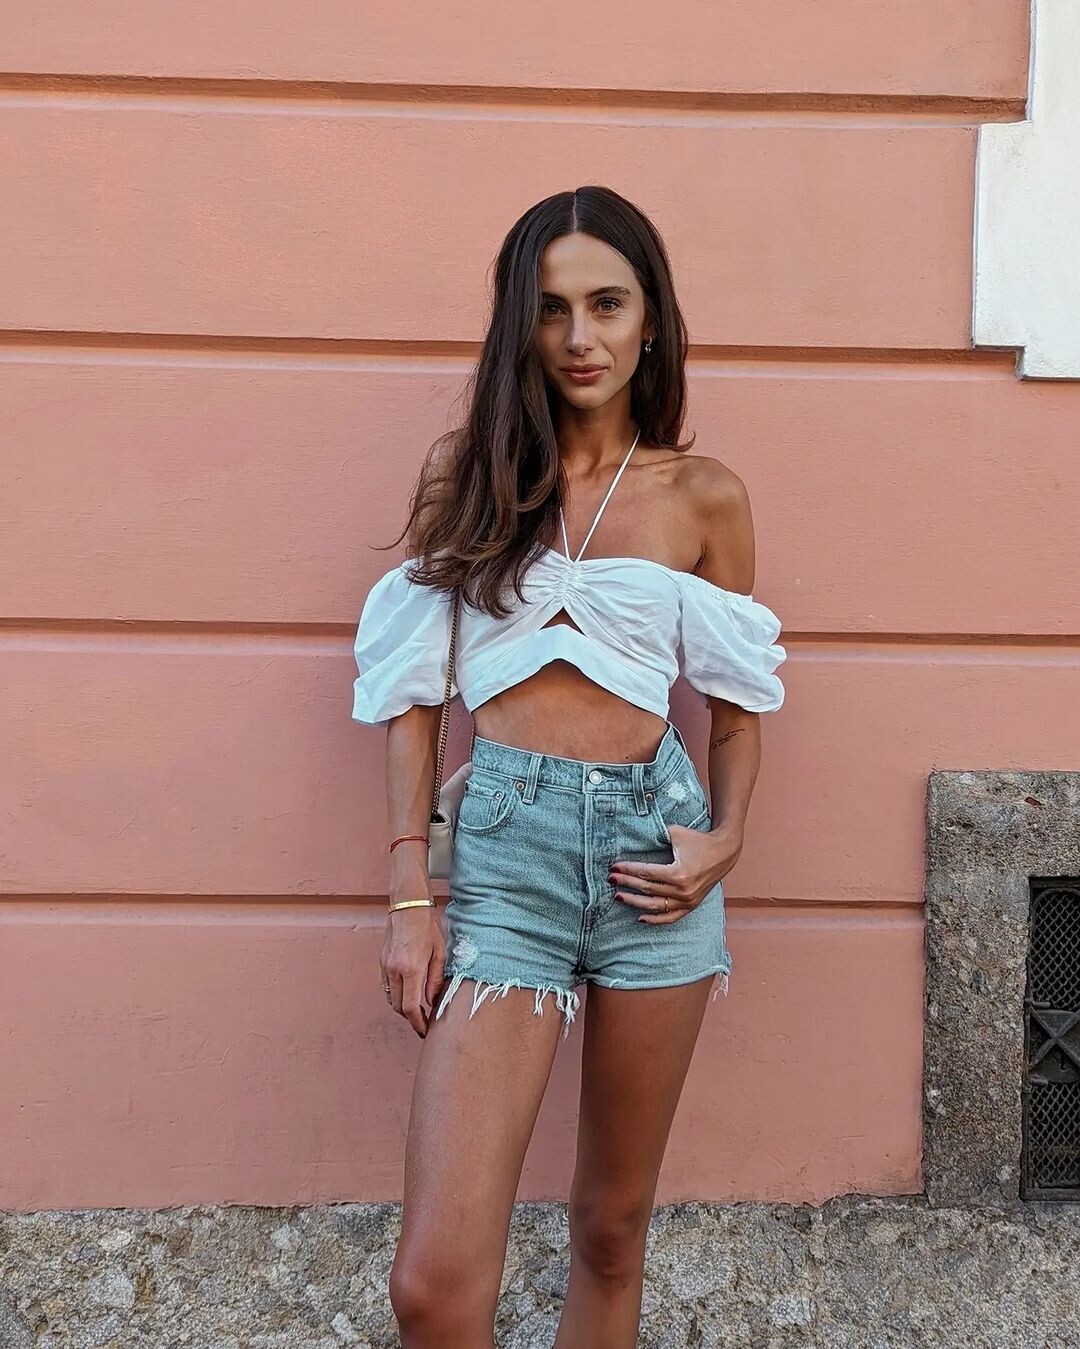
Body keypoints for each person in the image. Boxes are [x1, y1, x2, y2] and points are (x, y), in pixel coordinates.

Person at [350, 184, 787, 1349]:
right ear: (519, 323)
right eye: (551, 308)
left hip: (656, 859)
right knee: (434, 1287)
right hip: (508, 859)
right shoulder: (469, 474)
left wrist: (727, 837)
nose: (580, 336)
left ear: (651, 319)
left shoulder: (703, 495)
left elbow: (738, 711)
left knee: (609, 1229)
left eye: (607, 303)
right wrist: (408, 898)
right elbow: (412, 699)